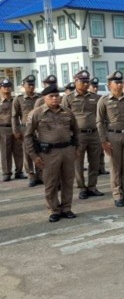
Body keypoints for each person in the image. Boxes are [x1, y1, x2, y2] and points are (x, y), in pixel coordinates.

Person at [24, 84, 79, 222]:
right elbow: (28, 136)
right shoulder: (36, 113)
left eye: (57, 96)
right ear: (45, 98)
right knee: (51, 182)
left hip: (67, 150)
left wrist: (77, 148)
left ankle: (66, 208)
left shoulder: (67, 112)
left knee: (68, 181)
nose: (55, 98)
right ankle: (54, 210)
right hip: (49, 153)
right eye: (51, 96)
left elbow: (76, 131)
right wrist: (34, 156)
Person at [97, 70, 124, 207]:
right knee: (116, 167)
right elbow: (99, 122)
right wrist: (104, 141)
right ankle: (117, 195)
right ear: (109, 85)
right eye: (116, 82)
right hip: (113, 136)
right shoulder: (104, 100)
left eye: (120, 82)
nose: (119, 85)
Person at [62, 70, 104, 199]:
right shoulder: (68, 98)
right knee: (78, 162)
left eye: (87, 82)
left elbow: (102, 116)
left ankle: (92, 186)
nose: (86, 84)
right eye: (82, 81)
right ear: (75, 82)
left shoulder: (96, 97)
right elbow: (64, 118)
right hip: (78, 135)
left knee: (95, 162)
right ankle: (81, 188)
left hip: (94, 134)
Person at [12, 75, 42, 186]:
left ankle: (40, 174)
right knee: (28, 152)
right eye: (29, 85)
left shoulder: (40, 97)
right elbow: (14, 116)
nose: (31, 87)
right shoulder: (18, 99)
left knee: (40, 151)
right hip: (26, 128)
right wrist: (16, 130)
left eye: (33, 84)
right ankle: (31, 175)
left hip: (39, 128)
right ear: (24, 86)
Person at [0, 78, 24, 181]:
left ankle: (19, 171)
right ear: (0, 88)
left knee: (18, 151)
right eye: (4, 87)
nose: (7, 89)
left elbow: (21, 113)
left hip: (16, 127)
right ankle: (7, 173)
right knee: (5, 152)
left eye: (9, 86)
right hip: (4, 128)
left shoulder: (16, 100)